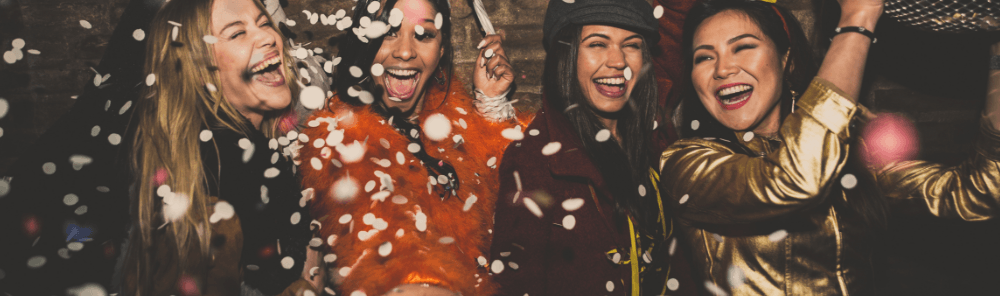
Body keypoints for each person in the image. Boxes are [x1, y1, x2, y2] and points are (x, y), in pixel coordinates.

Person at [659, 0, 1000, 294]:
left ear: (785, 59)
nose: (723, 69)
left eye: (743, 47)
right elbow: (794, 178)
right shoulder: (685, 165)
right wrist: (857, 21)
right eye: (704, 57)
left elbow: (975, 194)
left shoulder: (852, 145)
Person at [295, 0, 528, 295]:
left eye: (424, 35)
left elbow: (515, 204)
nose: (405, 51)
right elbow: (391, 258)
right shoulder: (336, 139)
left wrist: (492, 107)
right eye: (389, 31)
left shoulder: (456, 127)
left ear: (442, 50)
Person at [488, 0, 697, 295]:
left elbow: (678, 14)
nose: (618, 61)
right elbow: (515, 286)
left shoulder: (652, 130)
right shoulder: (533, 163)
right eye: (598, 43)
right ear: (566, 53)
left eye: (632, 45)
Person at [120, 0, 327, 294]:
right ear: (199, 67)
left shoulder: (253, 150)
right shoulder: (220, 167)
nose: (268, 37)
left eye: (264, 22)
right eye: (237, 33)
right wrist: (307, 288)